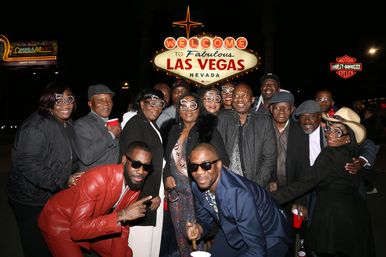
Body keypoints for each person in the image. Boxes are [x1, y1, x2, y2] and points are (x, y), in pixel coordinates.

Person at [270, 107, 375, 257]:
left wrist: (269, 197)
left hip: (333, 216)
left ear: (348, 138)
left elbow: (305, 183)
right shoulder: (351, 154)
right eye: (330, 129)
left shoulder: (330, 154)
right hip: (357, 216)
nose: (330, 134)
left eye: (338, 131)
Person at [38, 141, 153, 257]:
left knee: (125, 254)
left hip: (90, 220)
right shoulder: (97, 179)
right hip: (59, 219)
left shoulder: (134, 186)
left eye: (147, 167)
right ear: (124, 160)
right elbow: (77, 231)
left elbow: (123, 227)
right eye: (136, 164)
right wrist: (121, 215)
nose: (141, 171)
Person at [7, 81, 82, 257]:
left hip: (51, 194)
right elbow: (28, 164)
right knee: (37, 245)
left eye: (69, 99)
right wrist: (64, 180)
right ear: (48, 101)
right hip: (30, 199)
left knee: (53, 241)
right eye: (59, 100)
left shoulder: (67, 122)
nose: (66, 104)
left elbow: (70, 155)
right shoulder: (36, 127)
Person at [186, 143, 291, 257]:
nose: (199, 172)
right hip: (233, 228)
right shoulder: (197, 187)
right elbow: (206, 220)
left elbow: (257, 250)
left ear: (219, 165)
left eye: (206, 165)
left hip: (269, 237)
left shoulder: (236, 194)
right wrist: (199, 229)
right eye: (193, 167)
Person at [163, 93, 229, 257]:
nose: (188, 109)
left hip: (198, 195)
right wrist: (167, 176)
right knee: (181, 237)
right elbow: (167, 160)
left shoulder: (207, 130)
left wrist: (212, 187)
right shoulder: (173, 130)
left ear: (199, 109)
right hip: (177, 197)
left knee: (197, 235)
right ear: (178, 110)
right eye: (183, 105)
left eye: (193, 105)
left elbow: (223, 162)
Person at [119, 88, 165, 257]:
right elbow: (134, 168)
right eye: (151, 102)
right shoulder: (136, 125)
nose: (156, 107)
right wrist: (149, 195)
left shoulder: (149, 123)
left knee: (151, 246)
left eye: (160, 104)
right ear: (141, 104)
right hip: (140, 196)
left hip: (151, 191)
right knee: (140, 246)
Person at [217, 82, 277, 189]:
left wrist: (256, 185)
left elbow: (270, 157)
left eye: (244, 95)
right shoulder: (222, 119)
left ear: (252, 100)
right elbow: (215, 151)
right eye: (235, 96)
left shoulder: (263, 122)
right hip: (226, 183)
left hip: (254, 184)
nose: (239, 99)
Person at [74, 84, 121, 171]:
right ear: (90, 104)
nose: (106, 103)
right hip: (96, 181)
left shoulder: (111, 124)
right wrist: (111, 134)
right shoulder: (82, 124)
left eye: (109, 99)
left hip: (114, 178)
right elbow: (86, 157)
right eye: (100, 100)